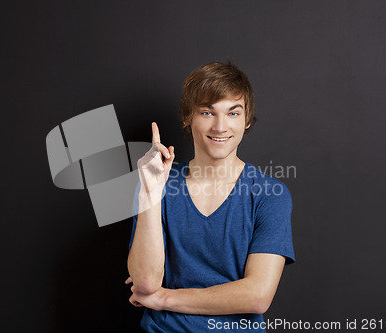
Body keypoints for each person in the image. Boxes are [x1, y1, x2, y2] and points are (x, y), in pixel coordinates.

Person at [126, 61, 295, 332]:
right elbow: (145, 282)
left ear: (246, 119)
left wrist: (163, 298)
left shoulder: (270, 194)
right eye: (207, 112)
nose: (220, 126)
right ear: (187, 117)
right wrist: (150, 193)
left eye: (233, 113)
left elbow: (257, 295)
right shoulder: (156, 184)